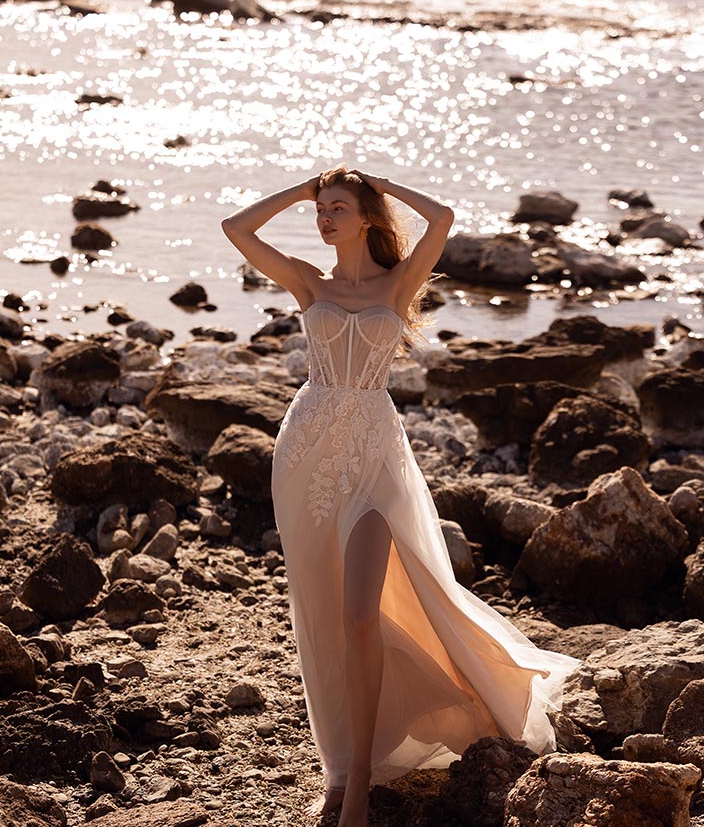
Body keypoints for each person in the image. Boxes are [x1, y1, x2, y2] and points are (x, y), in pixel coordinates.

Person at [220, 166, 581, 826]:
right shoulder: (309, 279)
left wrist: (382, 184)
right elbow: (235, 228)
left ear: (366, 217)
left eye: (337, 208)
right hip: (307, 453)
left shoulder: (399, 282)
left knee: (362, 615)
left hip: (375, 456)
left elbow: (441, 217)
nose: (325, 218)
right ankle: (340, 764)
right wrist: (301, 190)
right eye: (320, 209)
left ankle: (356, 785)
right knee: (326, 613)